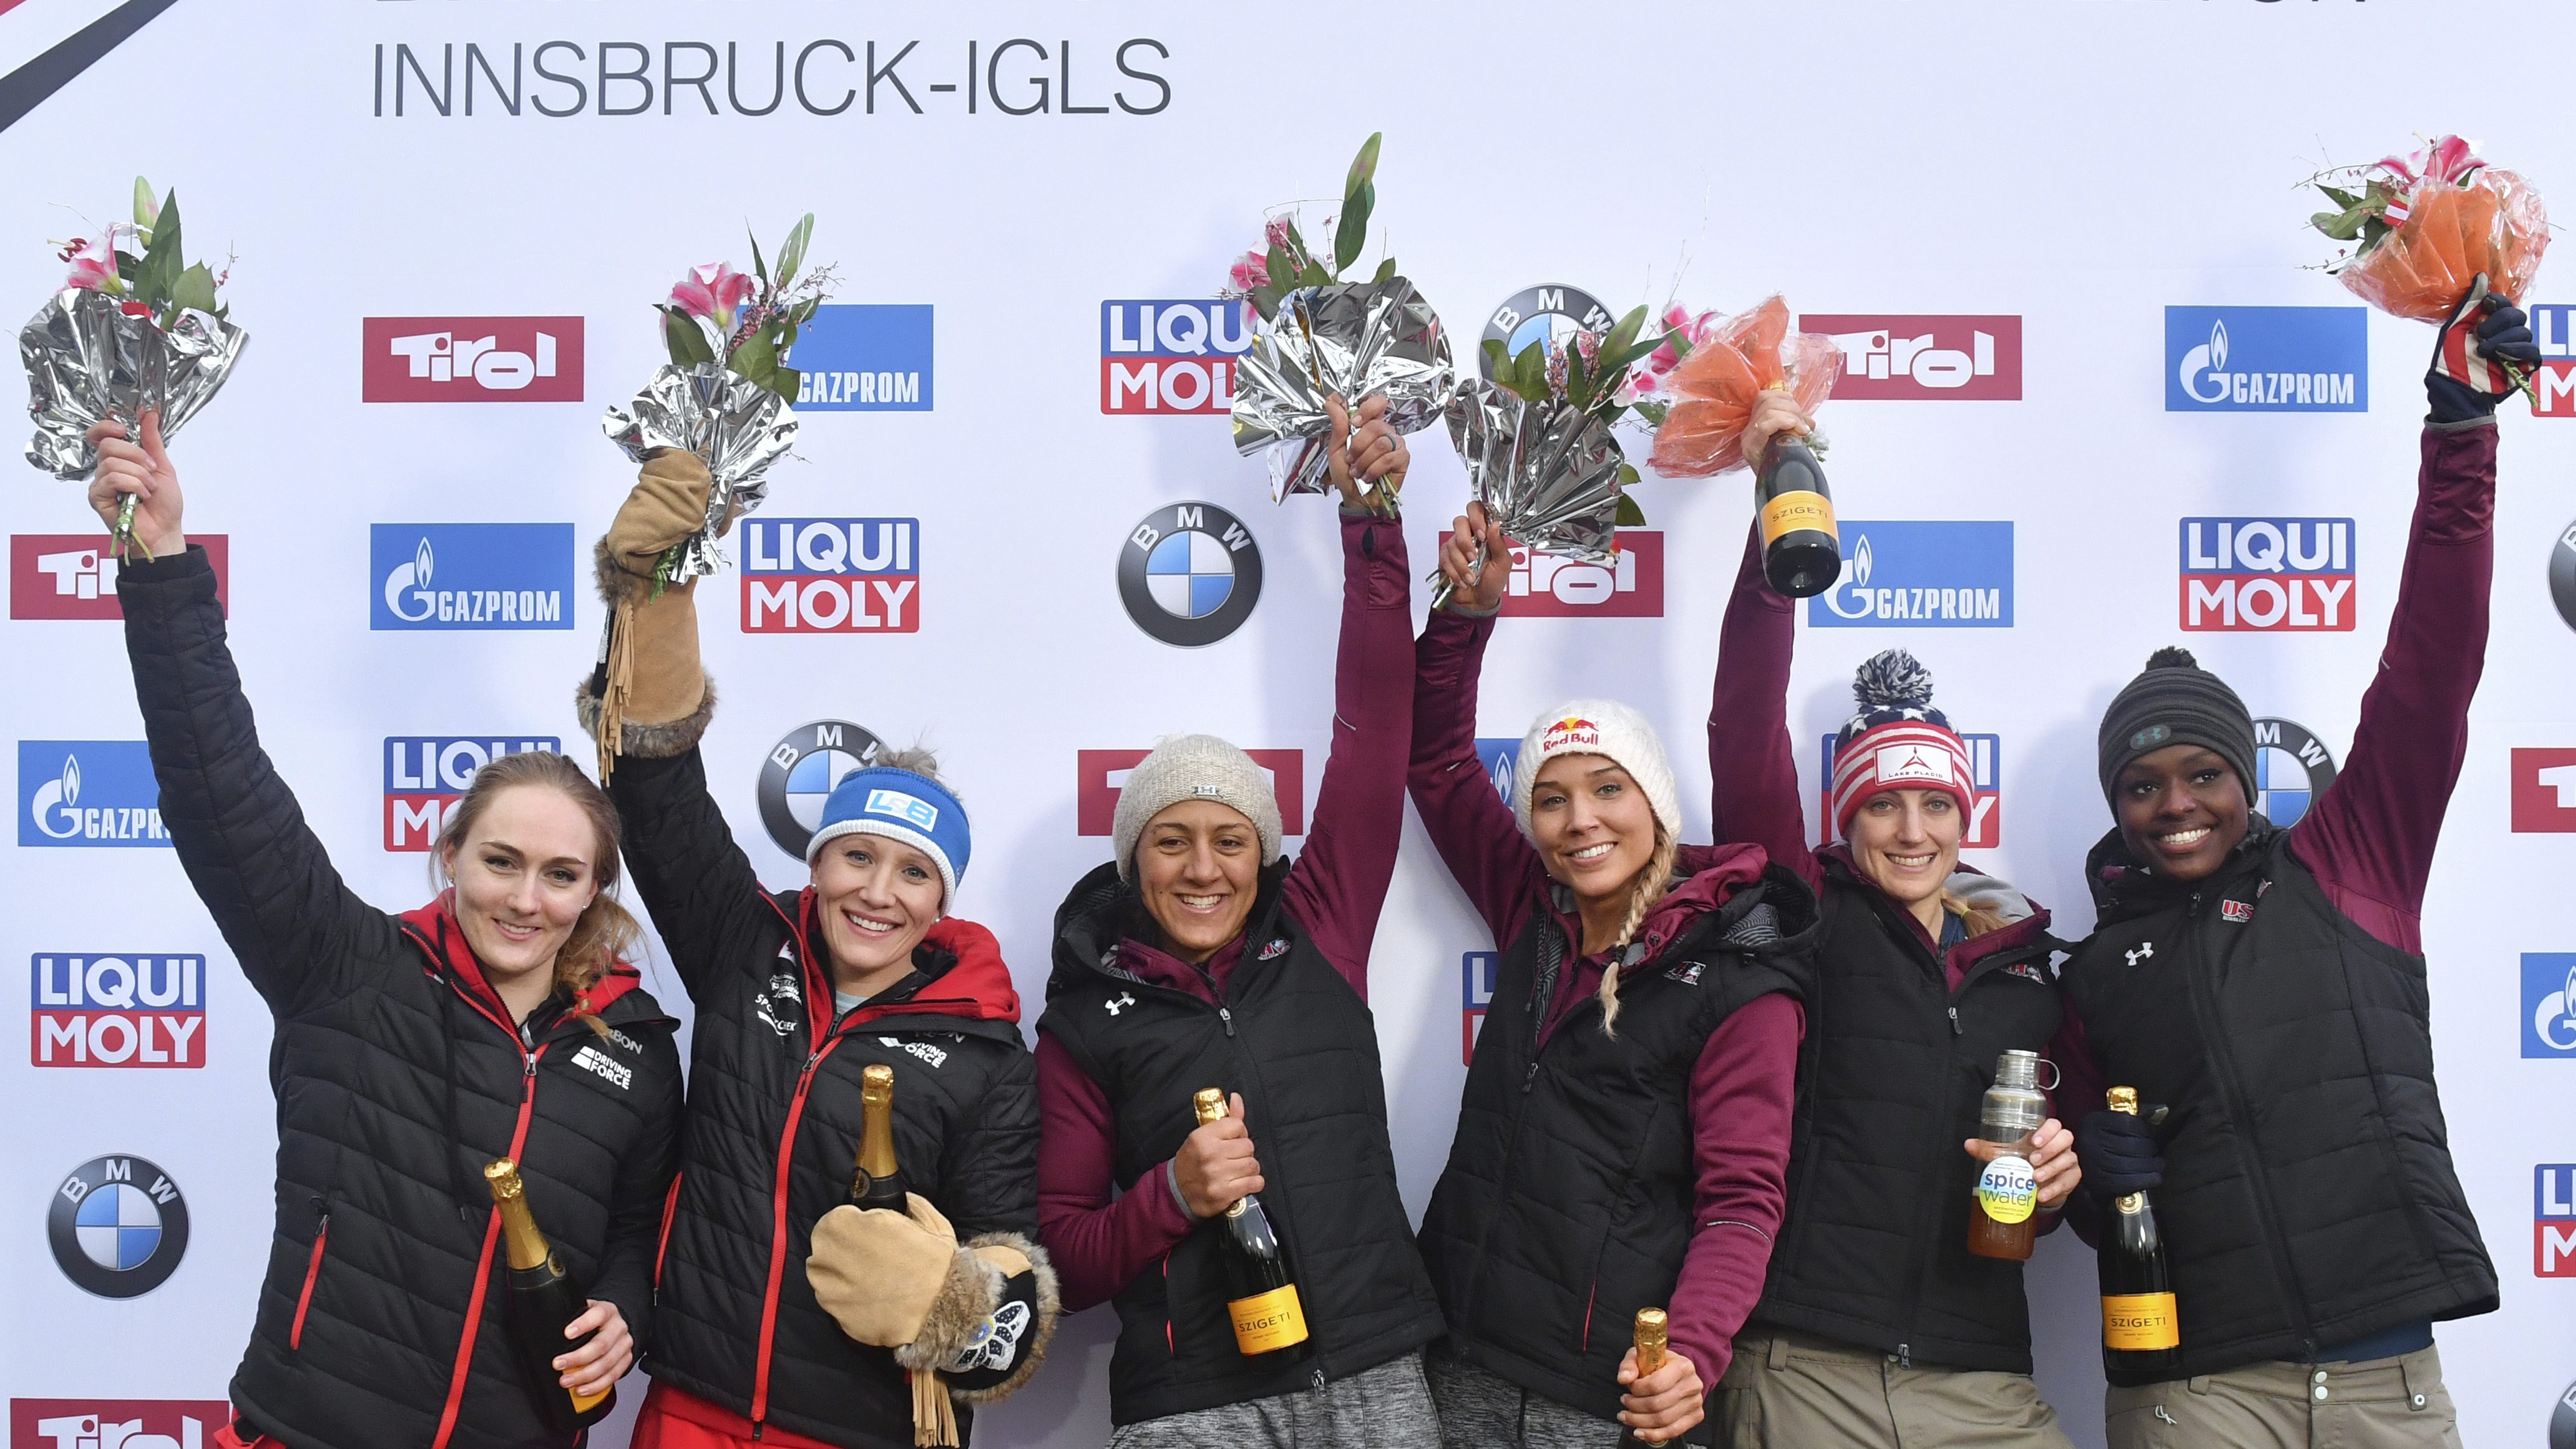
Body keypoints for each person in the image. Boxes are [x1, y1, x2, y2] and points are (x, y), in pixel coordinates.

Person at [85, 414, 683, 1449]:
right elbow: (217, 785)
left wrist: (624, 1314)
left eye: (561, 874)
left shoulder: (636, 1046)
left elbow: (637, 1236)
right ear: (449, 856)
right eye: (501, 861)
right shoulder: (349, 970)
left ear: (595, 891)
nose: (525, 899)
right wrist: (161, 564)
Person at [2061, 283, 2535, 1447]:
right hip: (2197, 1394)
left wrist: (2464, 431)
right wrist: (2085, 1181)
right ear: (2116, 805)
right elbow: (2070, 1165)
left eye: (2202, 774)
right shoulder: (2091, 970)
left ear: (2249, 779)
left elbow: (2435, 655)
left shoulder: (2352, 859)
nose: (2175, 804)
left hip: (2389, 1385)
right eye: (2141, 784)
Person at [577, 445, 1056, 1449]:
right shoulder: (745, 944)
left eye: (913, 871)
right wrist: (657, 590)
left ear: (943, 900)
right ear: (819, 861)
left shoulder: (987, 1052)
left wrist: (957, 1301)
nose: (878, 891)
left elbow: (1013, 1262)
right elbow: (657, 797)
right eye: (856, 856)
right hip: (694, 1408)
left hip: (865, 1430)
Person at [1036, 396, 1447, 1448]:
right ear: (1134, 861)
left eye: (1232, 839)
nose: (1204, 867)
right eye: (1172, 840)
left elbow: (1374, 724)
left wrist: (1374, 529)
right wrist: (1171, 1190)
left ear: (1266, 856)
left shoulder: (1319, 924)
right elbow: (1064, 1260)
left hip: (1374, 1373)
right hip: (1194, 1409)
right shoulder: (1086, 1016)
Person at [1703, 387, 2084, 1448]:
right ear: (1845, 815)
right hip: (1804, 1365)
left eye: (1935, 805)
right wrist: (1778, 527)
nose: (1910, 831)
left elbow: (2051, 1186)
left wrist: (2054, 1183)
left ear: (1965, 817)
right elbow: (1743, 731)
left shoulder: (2029, 973)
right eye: (1881, 804)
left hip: (1982, 1379)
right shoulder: (1802, 908)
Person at [1405, 497, 1823, 1447]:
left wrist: (1695, 1354)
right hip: (1457, 1357)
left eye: (1607, 788)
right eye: (1549, 798)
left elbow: (1743, 1199)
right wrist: (1465, 618)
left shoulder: (1738, 965)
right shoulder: (1532, 903)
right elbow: (1435, 763)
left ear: (1657, 804)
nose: (1578, 819)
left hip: (1597, 1395)